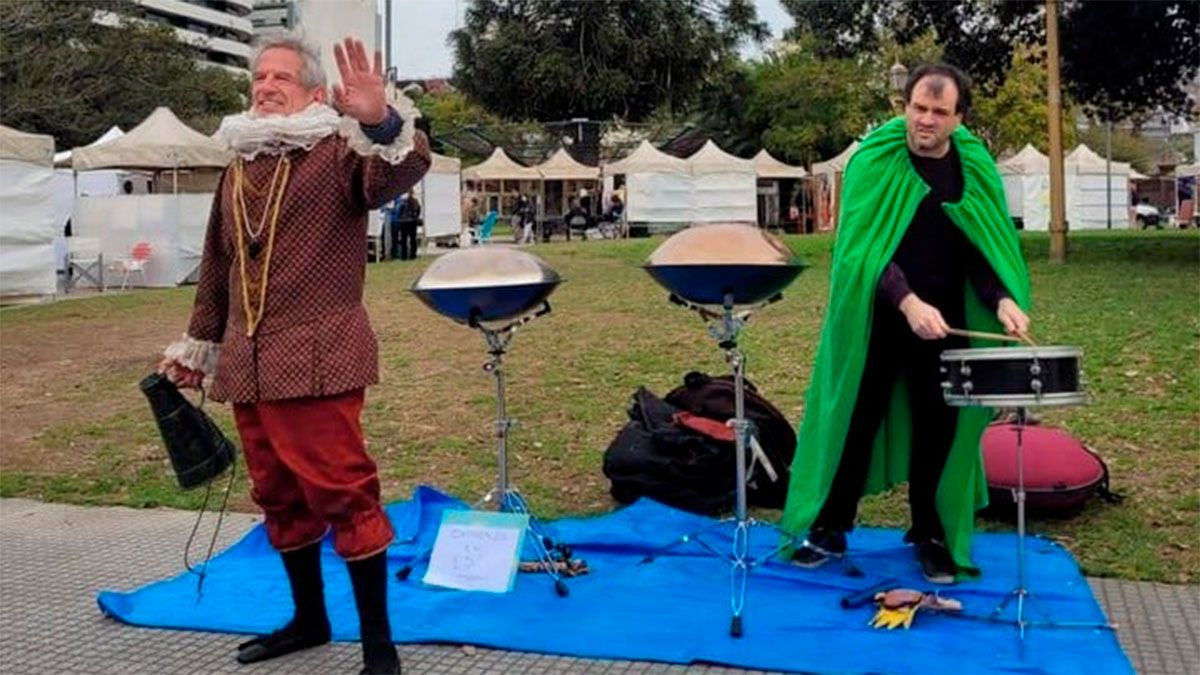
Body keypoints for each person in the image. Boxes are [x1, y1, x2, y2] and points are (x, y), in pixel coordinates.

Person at [157, 34, 431, 674]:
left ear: (313, 92)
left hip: (319, 360)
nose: (266, 86)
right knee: (278, 496)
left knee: (346, 496)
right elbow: (218, 266)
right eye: (259, 78)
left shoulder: (340, 152)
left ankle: (379, 649)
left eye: (281, 77)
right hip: (248, 365)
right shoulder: (237, 166)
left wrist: (380, 119)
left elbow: (399, 168)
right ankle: (309, 620)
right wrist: (200, 344)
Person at [778, 63, 1031, 584]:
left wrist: (1001, 297)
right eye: (919, 107)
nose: (926, 120)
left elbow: (978, 246)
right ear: (906, 106)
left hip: (946, 324)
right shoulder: (876, 157)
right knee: (855, 418)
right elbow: (861, 250)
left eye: (940, 112)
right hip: (878, 319)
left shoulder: (974, 165)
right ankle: (829, 524)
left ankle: (931, 534)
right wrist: (908, 302)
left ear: (959, 118)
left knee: (938, 427)